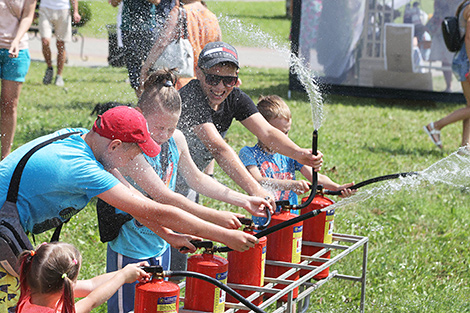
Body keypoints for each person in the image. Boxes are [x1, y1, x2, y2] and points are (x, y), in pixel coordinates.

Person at [0, 106, 258, 312]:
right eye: (133, 155)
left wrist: (168, 235)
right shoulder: (83, 169)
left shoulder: (86, 139)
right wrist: (224, 235)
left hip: (9, 227)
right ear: (114, 146)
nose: (134, 161)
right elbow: (157, 210)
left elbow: (135, 200)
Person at [104, 70, 270, 313]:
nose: (163, 135)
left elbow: (198, 179)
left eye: (170, 128)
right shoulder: (132, 149)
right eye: (158, 127)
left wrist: (244, 199)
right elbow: (165, 196)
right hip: (131, 248)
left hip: (162, 244)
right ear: (140, 115)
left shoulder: (176, 140)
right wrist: (217, 220)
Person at [176, 41, 323, 206]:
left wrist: (299, 153)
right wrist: (256, 190)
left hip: (189, 182)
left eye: (228, 80)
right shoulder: (191, 97)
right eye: (213, 78)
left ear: (237, 78)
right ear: (198, 73)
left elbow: (267, 133)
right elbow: (218, 149)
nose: (219, 86)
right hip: (158, 179)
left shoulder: (235, 98)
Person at [239, 95, 354, 219]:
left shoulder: (290, 154)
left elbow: (315, 177)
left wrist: (337, 187)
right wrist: (290, 184)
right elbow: (257, 181)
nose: (285, 138)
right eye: (278, 133)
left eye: (286, 132)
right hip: (264, 221)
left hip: (291, 219)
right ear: (260, 129)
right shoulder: (248, 153)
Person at [15, 242, 151, 313]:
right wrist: (122, 277)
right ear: (66, 284)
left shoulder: (32, 292)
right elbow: (92, 300)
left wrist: (126, 271)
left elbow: (91, 285)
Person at [140, 0, 222, 91]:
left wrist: (145, 68)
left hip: (181, 78)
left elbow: (162, 44)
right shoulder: (212, 17)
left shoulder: (179, 13)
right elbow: (218, 52)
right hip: (204, 82)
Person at [424, 1, 470, 149]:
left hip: (463, 60)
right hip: (466, 62)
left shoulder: (465, 4)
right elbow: (469, 38)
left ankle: (465, 148)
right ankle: (436, 126)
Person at [0, 0, 36, 160]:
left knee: (9, 104)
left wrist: (16, 40)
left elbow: (28, 17)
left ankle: (5, 157)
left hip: (17, 50)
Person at [109, 0, 165, 96]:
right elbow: (113, 3)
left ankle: (153, 100)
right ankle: (140, 102)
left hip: (147, 28)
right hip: (128, 29)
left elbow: (157, 1)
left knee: (152, 70)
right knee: (134, 72)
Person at [39, 0, 81, 86]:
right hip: (45, 9)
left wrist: (75, 11)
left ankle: (59, 75)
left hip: (63, 10)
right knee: (45, 42)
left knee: (61, 45)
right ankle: (49, 67)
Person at [426, 0, 462, 92]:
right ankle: (448, 86)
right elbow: (437, 11)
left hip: (456, 33)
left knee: (458, 61)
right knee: (445, 61)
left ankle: (461, 87)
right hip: (442, 32)